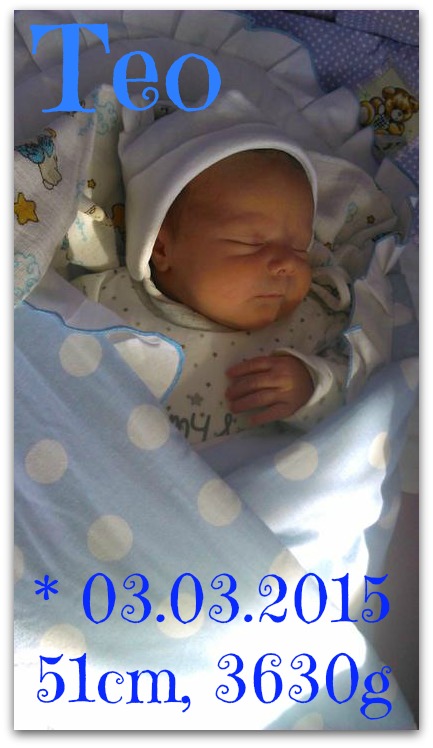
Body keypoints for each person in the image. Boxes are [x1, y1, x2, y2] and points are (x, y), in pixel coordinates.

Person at [73, 90, 396, 445]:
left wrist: (312, 386)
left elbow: (361, 387)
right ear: (162, 248)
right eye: (251, 243)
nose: (288, 264)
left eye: (300, 248)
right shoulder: (106, 300)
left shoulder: (316, 317)